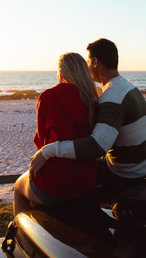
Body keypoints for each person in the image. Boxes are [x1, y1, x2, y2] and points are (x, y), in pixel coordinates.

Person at [30, 38, 146, 188]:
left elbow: (99, 145)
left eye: (88, 62)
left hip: (129, 170)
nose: (87, 67)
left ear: (95, 62)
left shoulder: (112, 96)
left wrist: (49, 150)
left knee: (77, 172)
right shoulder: (127, 86)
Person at [12, 52, 99, 218]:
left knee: (18, 188)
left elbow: (40, 141)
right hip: (86, 183)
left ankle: (21, 238)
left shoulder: (49, 96)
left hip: (56, 186)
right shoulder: (92, 98)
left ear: (61, 73)